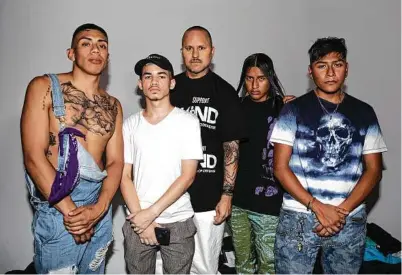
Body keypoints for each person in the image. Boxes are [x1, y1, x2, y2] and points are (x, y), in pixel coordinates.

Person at [270, 37, 387, 274]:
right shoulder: (292, 110)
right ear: (311, 71)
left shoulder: (364, 112)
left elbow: (374, 170)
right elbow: (280, 167)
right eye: (322, 65)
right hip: (299, 217)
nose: (331, 72)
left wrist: (339, 213)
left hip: (349, 219)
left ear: (347, 68)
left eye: (338, 64)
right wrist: (318, 208)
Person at [20, 23, 123, 274]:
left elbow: (115, 163)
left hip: (98, 208)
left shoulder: (113, 105)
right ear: (71, 53)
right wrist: (73, 216)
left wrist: (98, 210)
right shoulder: (43, 87)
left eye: (102, 45)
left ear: (108, 57)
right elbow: (33, 157)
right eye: (86, 43)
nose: (95, 50)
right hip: (59, 208)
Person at [169, 26, 247, 274]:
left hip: (208, 201)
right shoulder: (169, 89)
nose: (194, 54)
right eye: (189, 48)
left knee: (204, 268)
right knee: (167, 268)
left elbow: (232, 147)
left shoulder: (224, 92)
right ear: (181, 52)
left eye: (201, 48)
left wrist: (227, 195)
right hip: (171, 200)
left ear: (211, 52)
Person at [121, 54, 203, 274]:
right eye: (148, 76)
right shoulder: (129, 125)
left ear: (172, 82)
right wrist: (142, 220)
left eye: (161, 76)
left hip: (177, 221)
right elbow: (124, 176)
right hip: (137, 221)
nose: (154, 82)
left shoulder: (188, 122)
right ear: (140, 84)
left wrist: (150, 215)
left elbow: (188, 176)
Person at [229, 53, 293, 274]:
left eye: (261, 78)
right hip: (237, 201)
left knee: (269, 265)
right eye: (249, 78)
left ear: (271, 78)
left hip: (270, 202)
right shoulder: (235, 107)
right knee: (242, 264)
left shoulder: (284, 109)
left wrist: (297, 111)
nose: (254, 85)